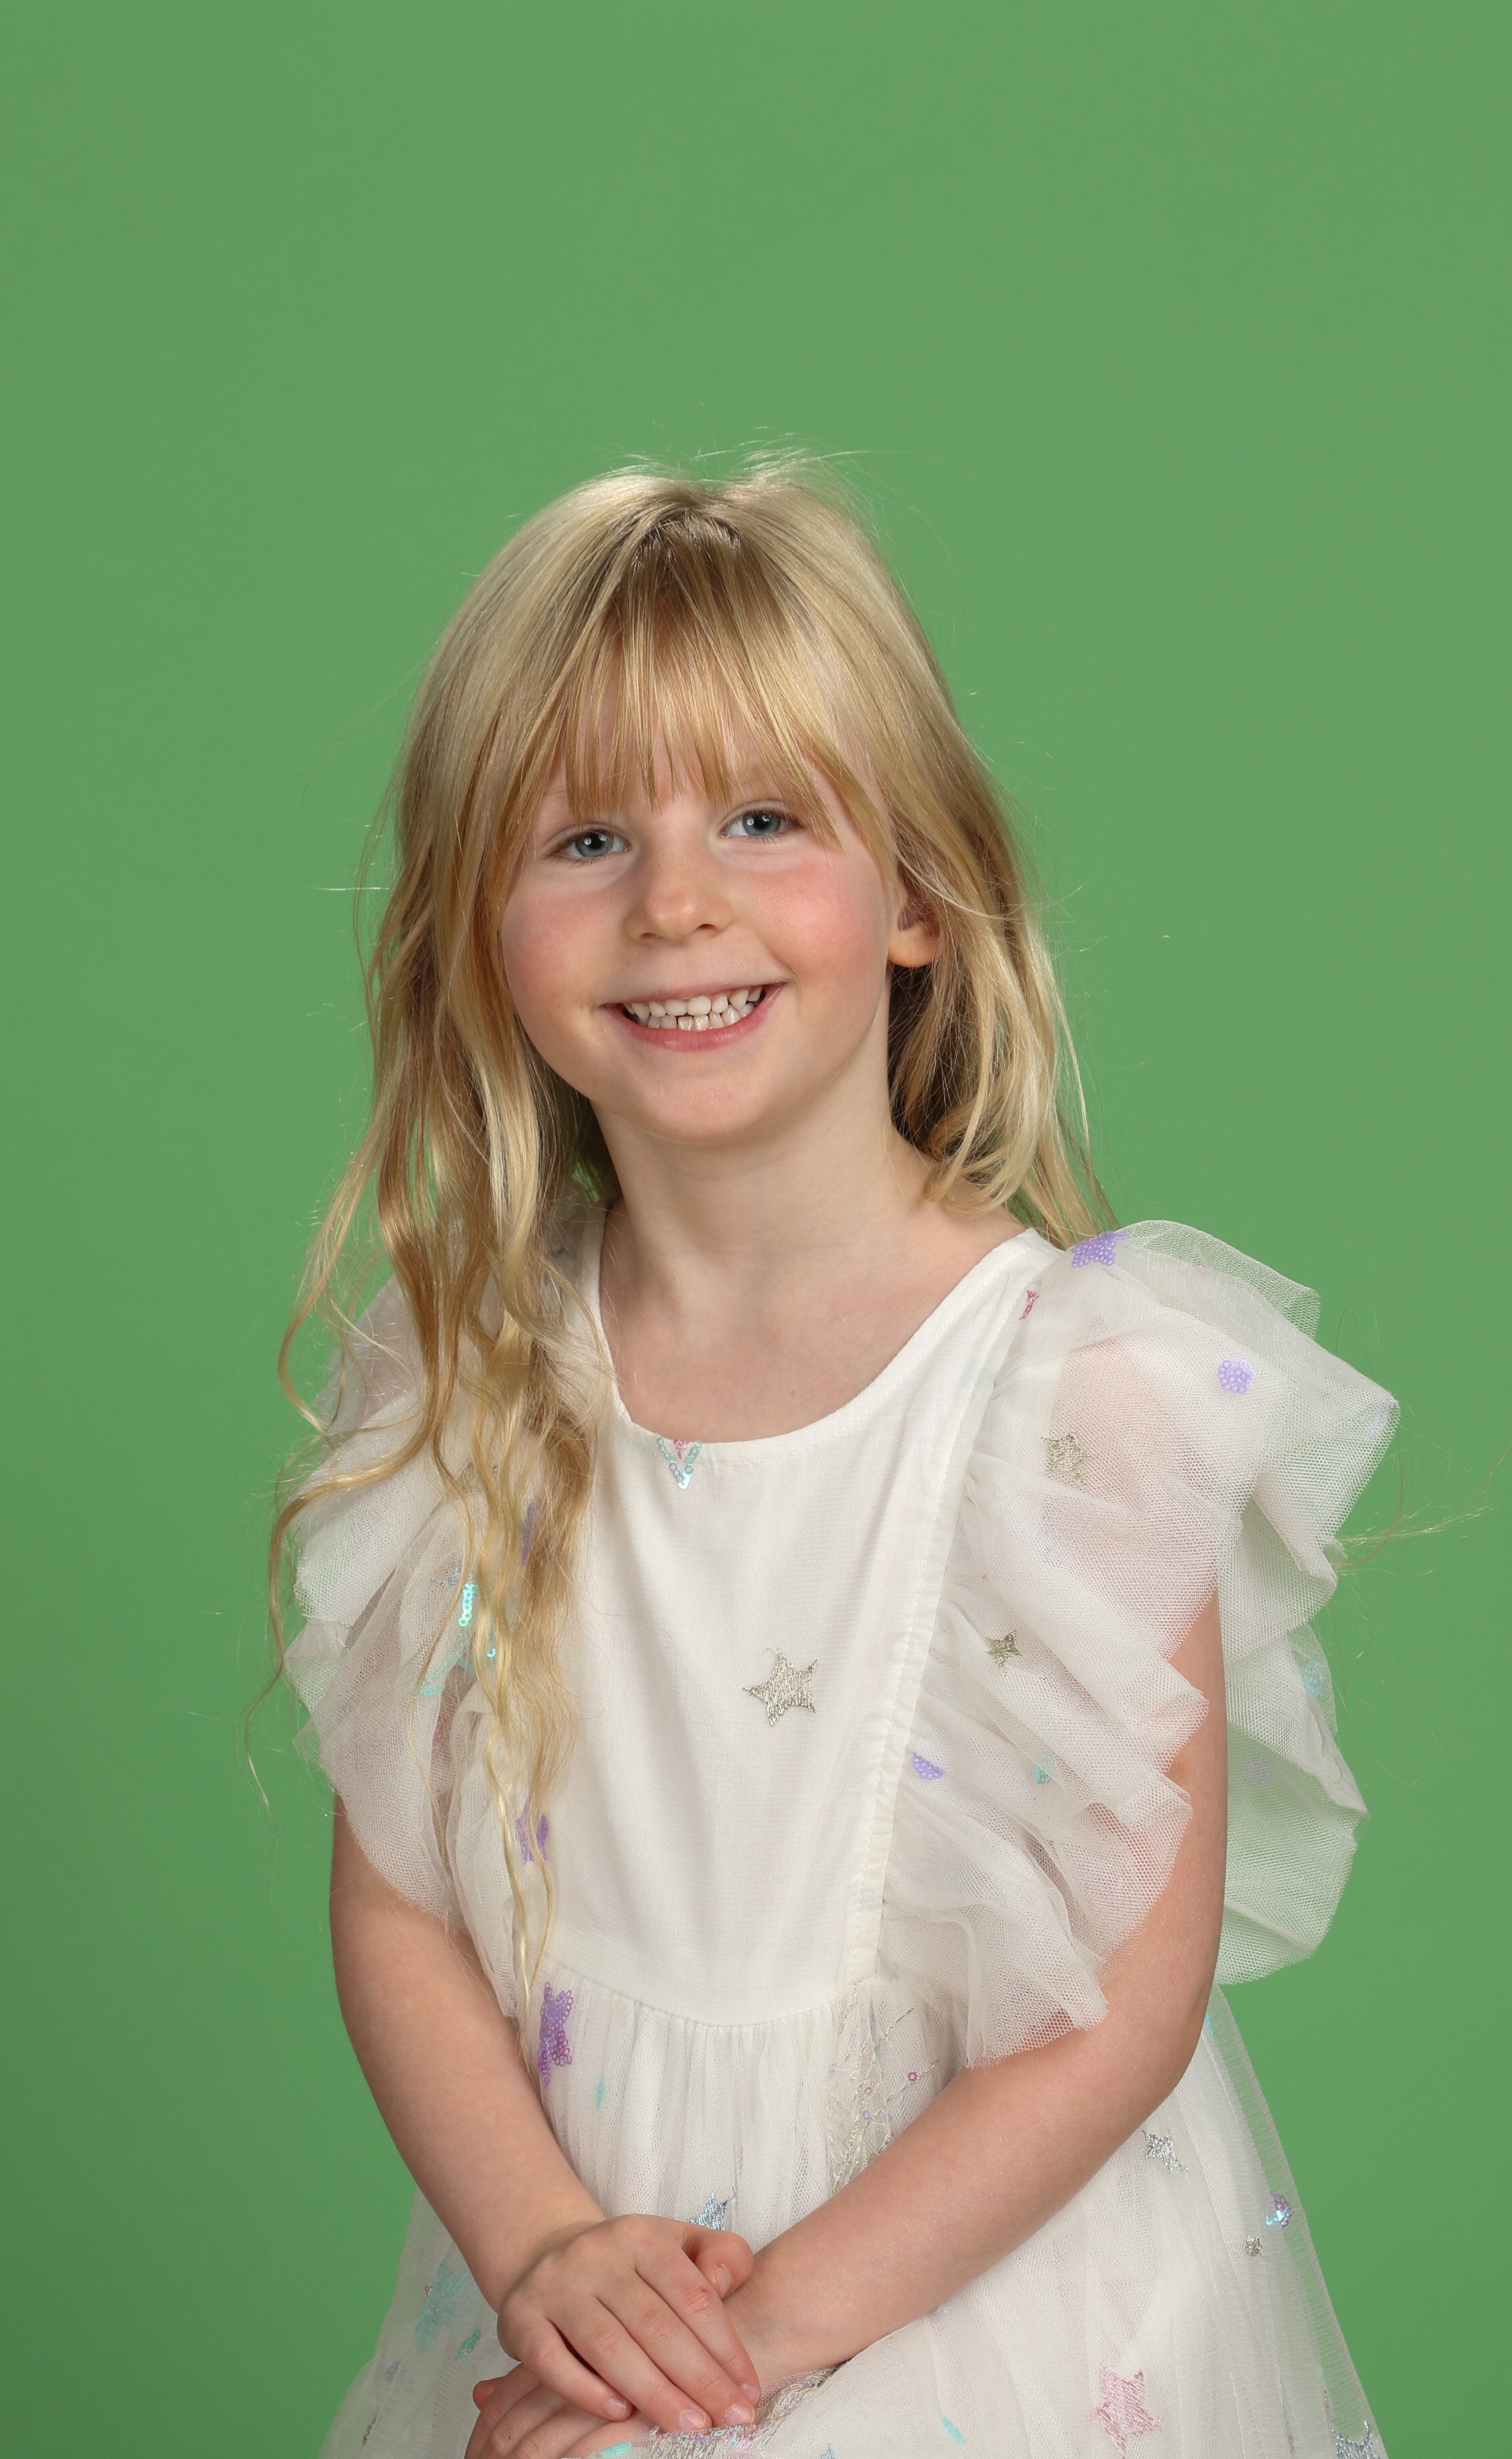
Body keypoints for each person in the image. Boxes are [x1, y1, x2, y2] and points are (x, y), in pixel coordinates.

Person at [277, 464, 1395, 2459]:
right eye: (587, 838)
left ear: (921, 895)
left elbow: (1116, 2015)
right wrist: (550, 2259)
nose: (674, 903)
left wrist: (753, 2349)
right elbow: (403, 1916)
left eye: (763, 818)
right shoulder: (463, 1390)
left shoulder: (1082, 1405)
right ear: (480, 933)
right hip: (582, 2296)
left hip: (976, 2315)